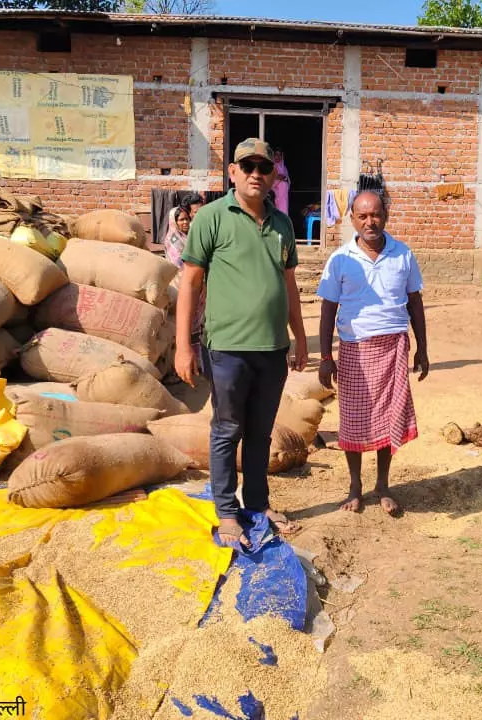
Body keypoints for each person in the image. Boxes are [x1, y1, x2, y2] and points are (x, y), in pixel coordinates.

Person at [174, 138, 310, 548]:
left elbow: (289, 287)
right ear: (232, 172)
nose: (255, 173)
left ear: (274, 177)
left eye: (263, 167)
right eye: (246, 166)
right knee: (227, 430)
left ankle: (257, 503)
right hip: (228, 348)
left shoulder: (282, 224)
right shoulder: (212, 217)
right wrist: (184, 345)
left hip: (271, 349)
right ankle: (226, 512)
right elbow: (191, 284)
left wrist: (300, 338)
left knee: (261, 433)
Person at [317, 190, 428, 515]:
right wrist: (325, 357)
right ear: (352, 219)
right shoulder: (340, 259)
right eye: (363, 216)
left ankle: (382, 484)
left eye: (376, 214)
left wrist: (422, 347)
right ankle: (355, 486)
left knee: (390, 418)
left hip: (395, 347)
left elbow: (415, 303)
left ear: (386, 215)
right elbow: (327, 310)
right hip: (354, 349)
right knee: (352, 422)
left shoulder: (403, 254)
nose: (370, 222)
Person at [156, 191, 206, 267]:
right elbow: (178, 264)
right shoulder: (173, 239)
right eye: (181, 220)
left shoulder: (189, 233)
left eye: (186, 219)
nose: (185, 222)